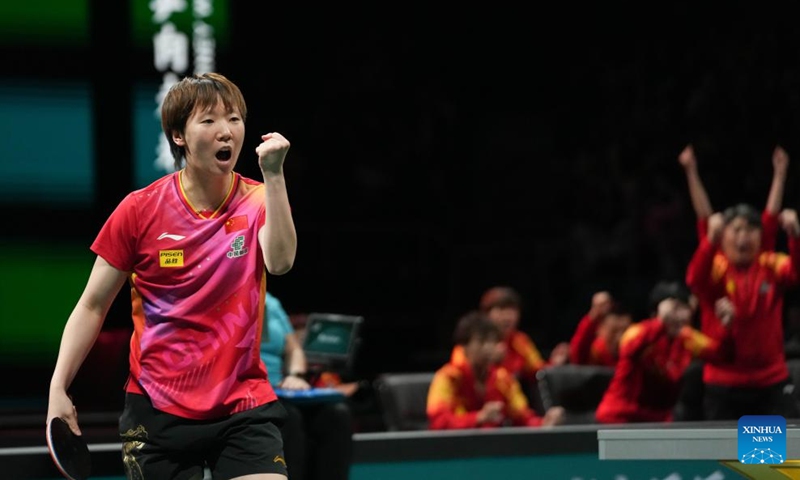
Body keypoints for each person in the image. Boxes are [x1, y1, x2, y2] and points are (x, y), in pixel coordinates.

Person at [47, 72, 297, 480]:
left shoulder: (257, 198)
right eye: (209, 121)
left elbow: (281, 262)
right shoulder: (139, 210)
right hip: (158, 410)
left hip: (241, 403)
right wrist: (59, 387)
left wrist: (274, 175)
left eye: (234, 119)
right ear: (179, 135)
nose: (226, 132)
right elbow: (92, 305)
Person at [686, 206, 800, 420]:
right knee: (729, 454)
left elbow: (796, 272)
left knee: (770, 454)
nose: (743, 237)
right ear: (723, 236)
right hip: (724, 385)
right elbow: (694, 279)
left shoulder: (771, 264)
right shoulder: (716, 268)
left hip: (770, 382)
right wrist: (710, 240)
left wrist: (795, 237)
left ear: (761, 235)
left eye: (750, 230)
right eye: (736, 230)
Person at [595, 281, 733, 424]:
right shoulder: (638, 332)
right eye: (673, 308)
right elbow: (628, 347)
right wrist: (661, 322)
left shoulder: (687, 338)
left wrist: (726, 327)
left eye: (682, 308)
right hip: (619, 418)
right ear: (656, 311)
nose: (678, 316)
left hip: (656, 420)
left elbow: (721, 356)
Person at [260, 292, 353, 480]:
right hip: (250, 389)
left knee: (336, 414)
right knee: (289, 417)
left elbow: (294, 349)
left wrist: (295, 375)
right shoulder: (224, 296)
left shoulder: (271, 302)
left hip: (281, 388)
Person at [426, 310, 566, 430]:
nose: (488, 347)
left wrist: (543, 423)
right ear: (464, 346)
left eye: (493, 342)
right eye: (482, 342)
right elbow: (438, 423)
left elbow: (523, 417)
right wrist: (478, 417)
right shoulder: (447, 377)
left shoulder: (503, 378)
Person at [478, 286, 569, 385]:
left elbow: (537, 370)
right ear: (486, 313)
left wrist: (554, 363)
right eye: (501, 309)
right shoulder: (477, 341)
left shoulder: (520, 340)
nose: (507, 316)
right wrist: (488, 363)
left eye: (512, 310)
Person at [569, 291, 633, 367]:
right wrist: (593, 315)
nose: (619, 337)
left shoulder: (633, 350)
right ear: (601, 331)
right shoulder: (597, 351)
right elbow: (577, 356)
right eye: (614, 332)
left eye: (624, 331)